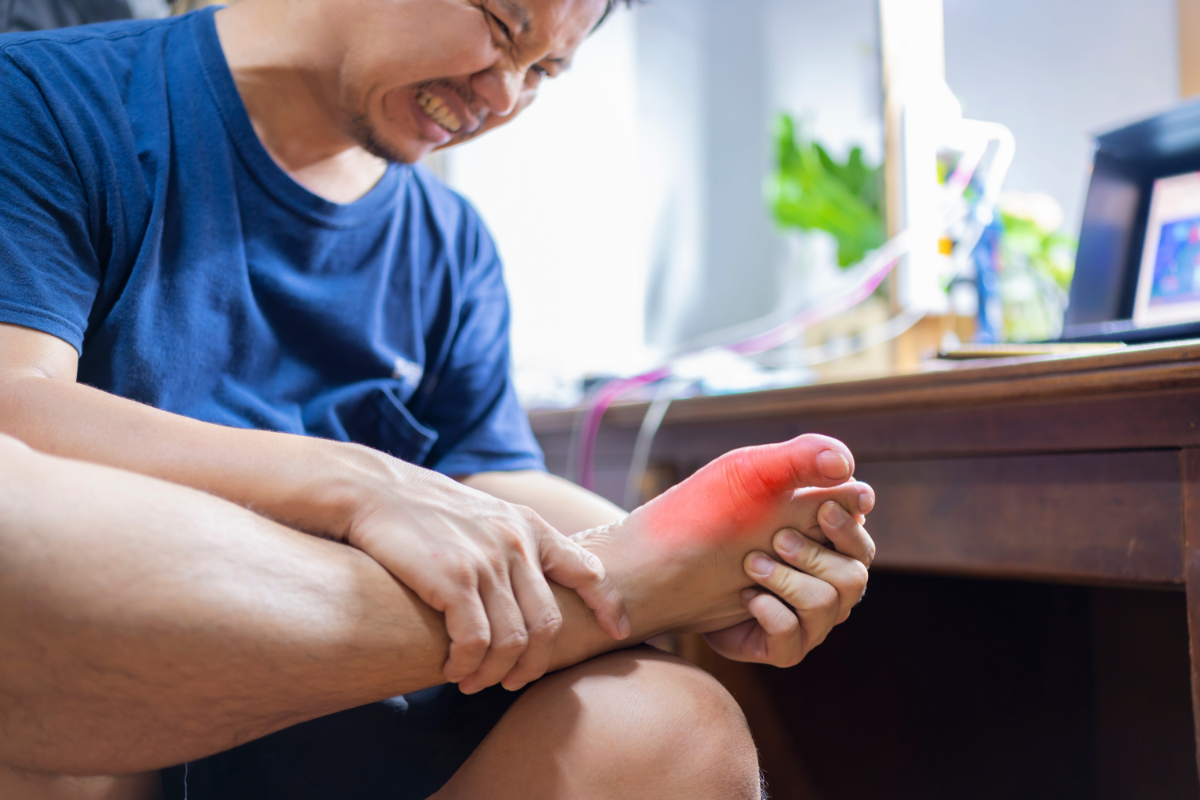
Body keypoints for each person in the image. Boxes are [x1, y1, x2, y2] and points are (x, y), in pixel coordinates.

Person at [0, 0, 876, 798]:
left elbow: (492, 478)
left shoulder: (451, 241)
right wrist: (357, 484)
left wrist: (714, 558)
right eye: (500, 26)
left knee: (675, 723)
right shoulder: (46, 101)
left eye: (544, 72)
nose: (500, 96)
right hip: (136, 684)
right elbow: (15, 407)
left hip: (375, 718)